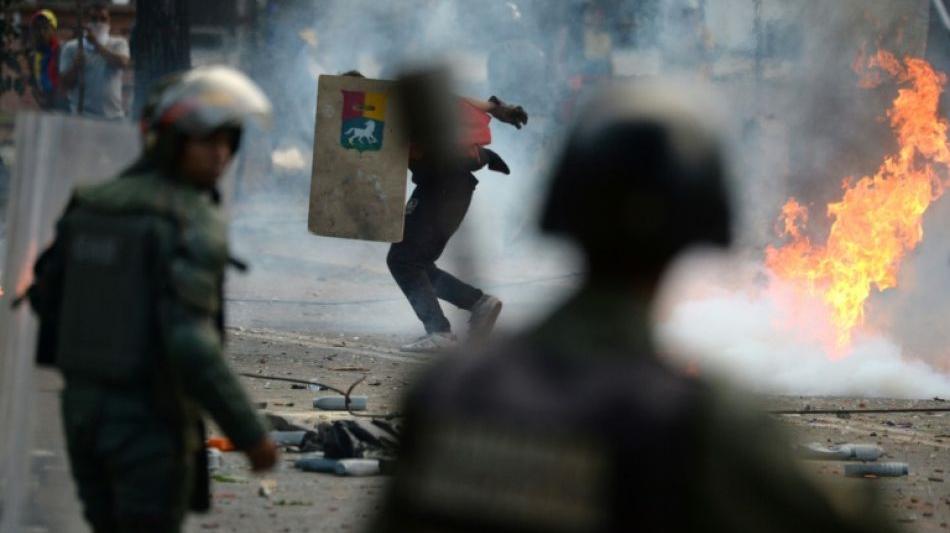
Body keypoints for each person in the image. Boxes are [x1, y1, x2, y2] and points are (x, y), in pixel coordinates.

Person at [369, 84, 900, 532]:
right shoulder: (702, 422)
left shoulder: (446, 392)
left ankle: (459, 312)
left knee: (408, 258)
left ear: (564, 210)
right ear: (695, 232)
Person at [27, 66, 277, 533]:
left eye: (228, 140)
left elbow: (47, 297)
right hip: (149, 426)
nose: (220, 154)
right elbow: (192, 348)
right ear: (169, 141)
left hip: (82, 419)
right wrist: (250, 435)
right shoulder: (186, 219)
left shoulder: (95, 201)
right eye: (206, 141)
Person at [384, 79, 528, 352]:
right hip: (447, 188)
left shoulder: (396, 108)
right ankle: (478, 304)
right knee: (417, 263)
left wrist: (497, 118)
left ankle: (439, 332)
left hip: (443, 189)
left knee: (404, 260)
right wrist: (500, 109)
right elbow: (461, 101)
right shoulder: (411, 105)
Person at [59, 2, 130, 119]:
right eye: (94, 19)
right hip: (82, 117)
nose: (99, 23)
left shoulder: (119, 44)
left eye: (103, 19)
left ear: (109, 22)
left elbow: (122, 62)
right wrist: (75, 67)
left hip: (113, 117)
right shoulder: (71, 48)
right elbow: (63, 84)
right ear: (86, 22)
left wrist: (97, 45)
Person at [29, 9, 65, 110]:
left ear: (53, 29)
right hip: (45, 106)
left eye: (45, 28)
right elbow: (35, 84)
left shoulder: (61, 51)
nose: (41, 32)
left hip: (61, 108)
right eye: (37, 28)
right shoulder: (33, 56)